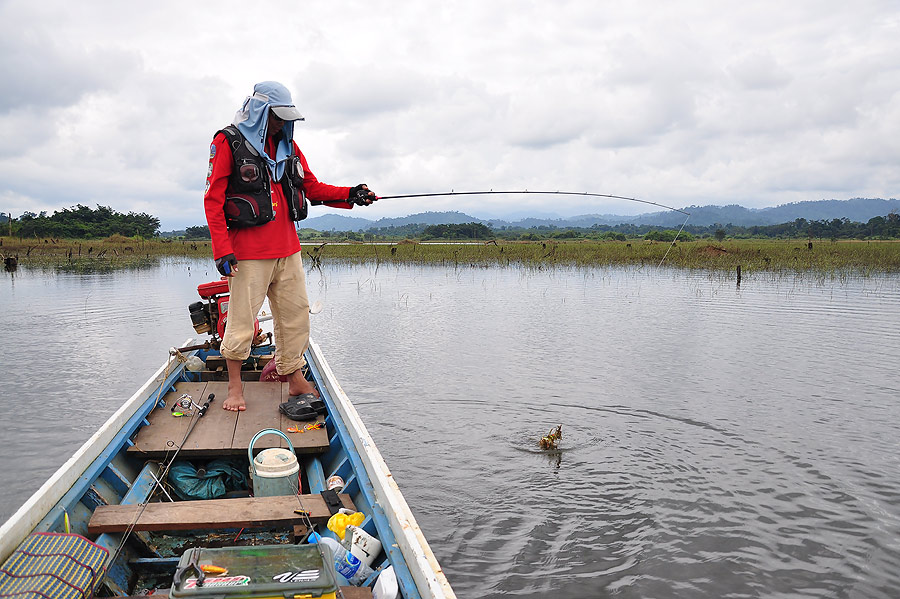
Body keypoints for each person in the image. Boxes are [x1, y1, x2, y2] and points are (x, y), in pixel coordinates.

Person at [203, 81, 376, 412]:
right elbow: (213, 199)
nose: (282, 123)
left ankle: (294, 378)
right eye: (276, 116)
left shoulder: (288, 148)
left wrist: (350, 193)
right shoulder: (227, 141)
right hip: (248, 254)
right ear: (259, 112)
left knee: (295, 317)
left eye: (286, 117)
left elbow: (311, 186)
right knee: (241, 322)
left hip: (288, 249)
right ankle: (235, 388)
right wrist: (222, 250)